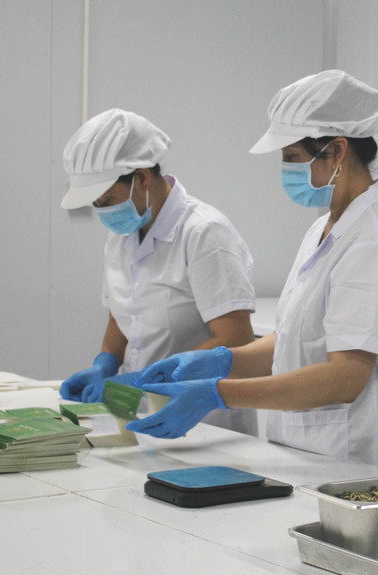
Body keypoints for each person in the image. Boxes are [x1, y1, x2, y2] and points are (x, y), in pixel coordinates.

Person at [126, 71, 378, 473]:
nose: (285, 171)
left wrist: (217, 393)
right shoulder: (327, 228)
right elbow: (296, 339)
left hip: (363, 464)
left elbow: (345, 377)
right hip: (311, 455)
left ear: (337, 151)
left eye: (292, 159)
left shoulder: (375, 241)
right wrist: (219, 361)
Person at [59, 109, 257, 433]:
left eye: (106, 200)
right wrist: (105, 362)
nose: (101, 212)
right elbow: (120, 317)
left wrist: (147, 378)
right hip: (139, 415)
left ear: (141, 178)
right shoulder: (120, 238)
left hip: (207, 423)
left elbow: (236, 338)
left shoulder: (204, 233)